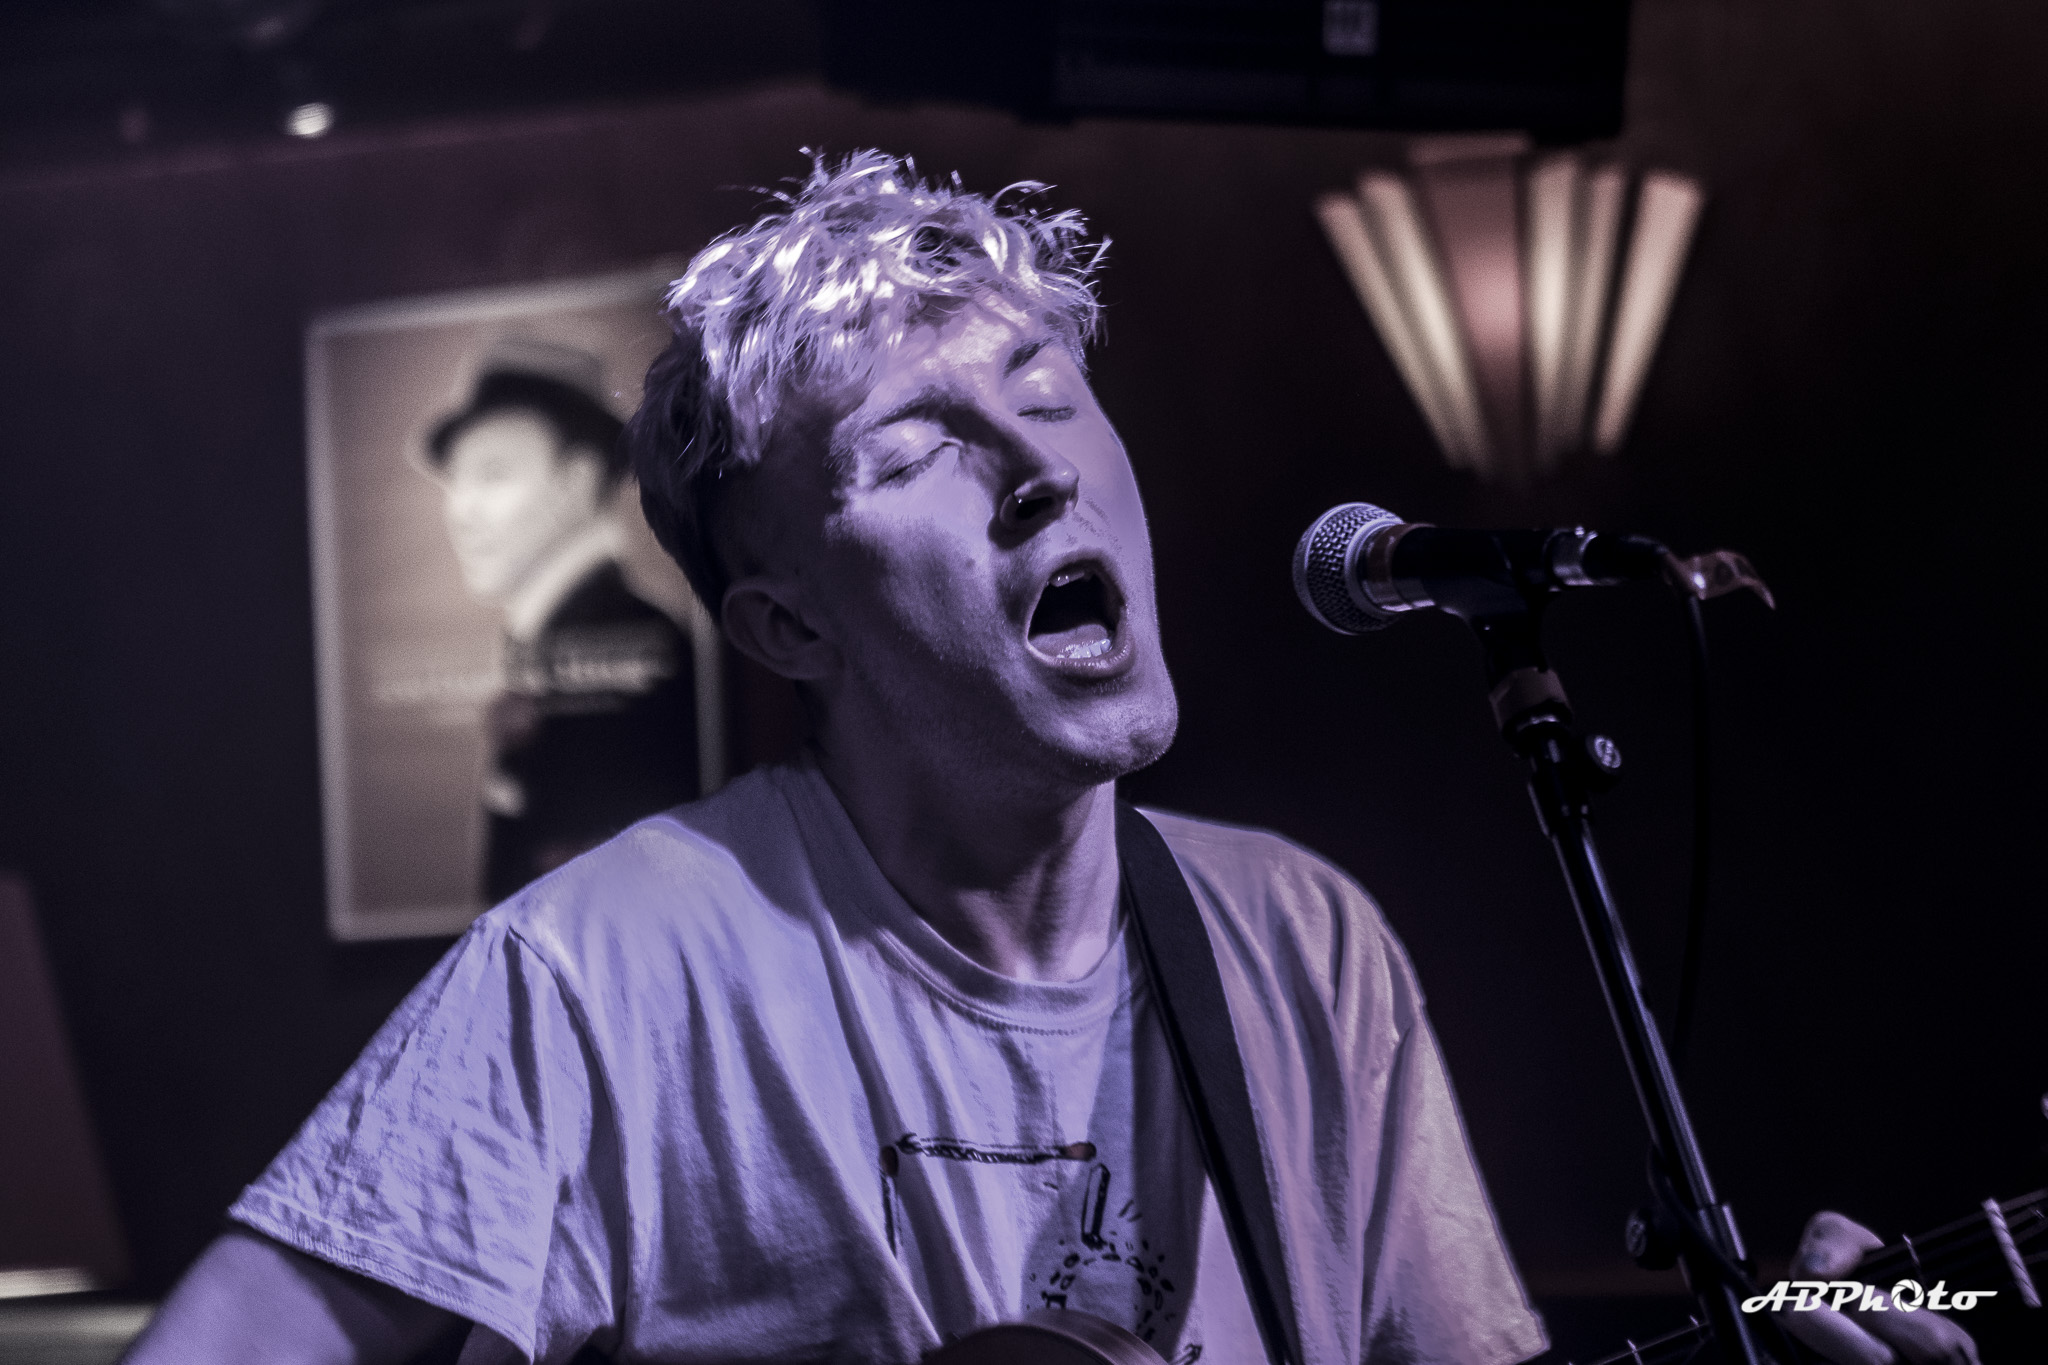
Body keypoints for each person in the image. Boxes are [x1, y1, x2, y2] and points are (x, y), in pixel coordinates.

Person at [123, 154, 1975, 1365]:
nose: (1034, 469)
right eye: (915, 447)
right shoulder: (608, 970)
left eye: (1045, 392)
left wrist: (1794, 1316)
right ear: (785, 627)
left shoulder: (1300, 942)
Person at [424, 339, 699, 902]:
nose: (460, 510)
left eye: (493, 475)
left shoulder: (642, 643)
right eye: (455, 479)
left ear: (577, 481)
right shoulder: (551, 637)